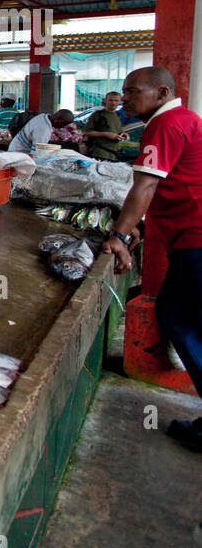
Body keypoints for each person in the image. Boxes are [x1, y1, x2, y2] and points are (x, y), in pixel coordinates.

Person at [101, 67, 202, 452]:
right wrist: (142, 224)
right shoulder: (184, 119)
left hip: (196, 237)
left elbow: (144, 185)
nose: (125, 99)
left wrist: (119, 235)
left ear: (161, 92)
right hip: (189, 237)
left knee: (179, 315)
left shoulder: (166, 124)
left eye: (132, 92)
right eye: (124, 92)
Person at [82, 91, 128, 161]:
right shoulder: (98, 115)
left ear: (120, 102)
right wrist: (106, 134)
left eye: (116, 100)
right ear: (105, 100)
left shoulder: (118, 115)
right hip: (100, 153)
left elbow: (119, 131)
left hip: (115, 155)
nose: (113, 103)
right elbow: (86, 132)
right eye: (111, 100)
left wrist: (124, 135)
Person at [7, 107, 74, 155]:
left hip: (17, 148)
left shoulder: (43, 116)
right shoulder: (43, 130)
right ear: (59, 120)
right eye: (64, 124)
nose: (63, 127)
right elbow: (37, 153)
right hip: (19, 153)